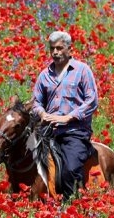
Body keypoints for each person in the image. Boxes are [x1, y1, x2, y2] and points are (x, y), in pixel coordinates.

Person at [31, 30, 99, 200]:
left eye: (60, 48)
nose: (55, 52)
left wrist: (68, 117)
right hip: (48, 131)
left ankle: (72, 206)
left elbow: (92, 101)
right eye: (52, 48)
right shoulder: (44, 75)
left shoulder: (82, 71)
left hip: (74, 132)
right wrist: (42, 113)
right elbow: (35, 102)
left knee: (70, 168)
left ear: (70, 49)